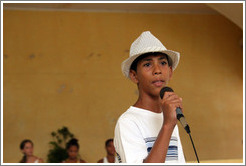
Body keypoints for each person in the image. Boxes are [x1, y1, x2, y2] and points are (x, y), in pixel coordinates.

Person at [114, 31, 186, 163]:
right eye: (148, 64)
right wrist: (168, 125)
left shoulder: (170, 116)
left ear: (170, 72)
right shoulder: (128, 122)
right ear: (134, 75)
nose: (157, 70)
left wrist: (169, 123)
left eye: (163, 63)